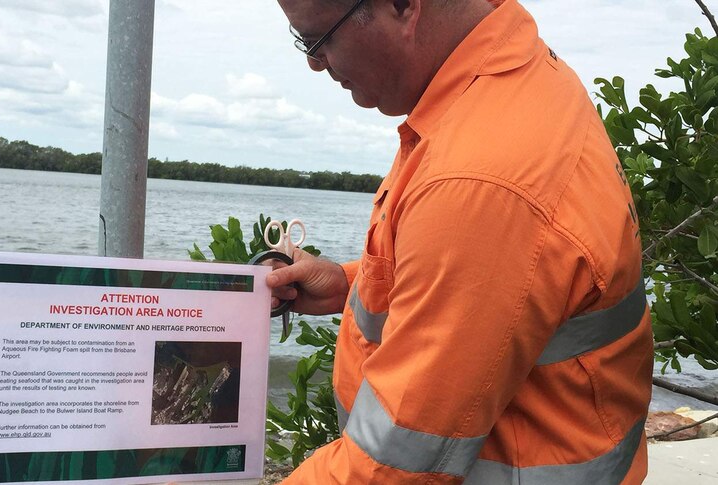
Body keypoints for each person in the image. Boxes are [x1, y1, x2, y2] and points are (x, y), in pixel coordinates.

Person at [266, 0, 653, 483]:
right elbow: (499, 289)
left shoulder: (481, 180)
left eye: (319, 40)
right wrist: (348, 285)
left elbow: (390, 469)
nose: (314, 63)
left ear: (403, 6)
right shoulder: (511, 74)